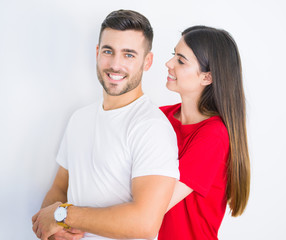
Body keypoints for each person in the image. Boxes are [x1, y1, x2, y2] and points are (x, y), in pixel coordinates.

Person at [31, 9, 179, 240]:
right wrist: (53, 231)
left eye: (129, 55)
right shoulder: (79, 118)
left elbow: (145, 223)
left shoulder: (152, 128)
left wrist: (63, 215)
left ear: (147, 61)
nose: (115, 65)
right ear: (98, 53)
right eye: (109, 51)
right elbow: (60, 187)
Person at [157, 26, 251, 239]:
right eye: (174, 55)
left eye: (181, 60)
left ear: (207, 77)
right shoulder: (159, 118)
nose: (169, 64)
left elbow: (153, 206)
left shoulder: (214, 135)